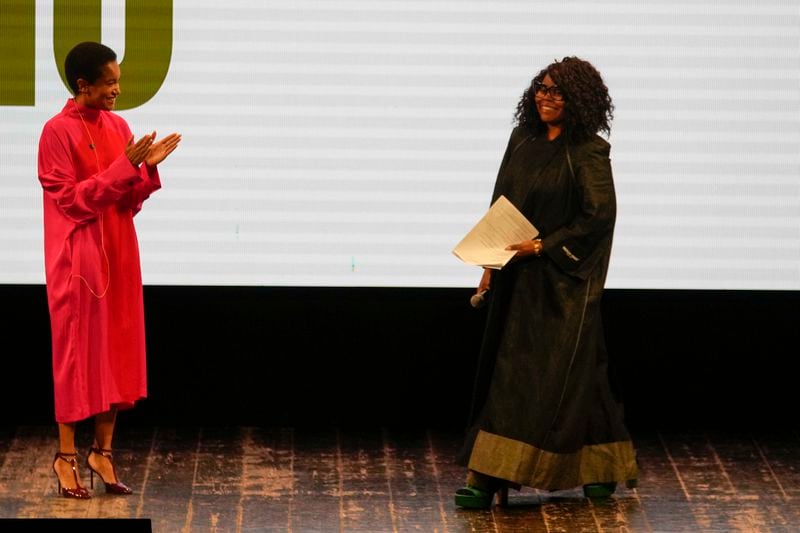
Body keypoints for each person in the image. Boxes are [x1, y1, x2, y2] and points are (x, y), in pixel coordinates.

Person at [455, 56, 638, 508]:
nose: (545, 96)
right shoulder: (522, 140)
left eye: (556, 91)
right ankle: (600, 465)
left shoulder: (589, 151)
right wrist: (488, 264)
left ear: (577, 100)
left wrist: (542, 247)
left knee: (546, 375)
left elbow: (599, 216)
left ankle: (487, 474)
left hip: (563, 284)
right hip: (517, 280)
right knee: (560, 375)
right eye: (541, 86)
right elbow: (502, 206)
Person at [38, 41, 181, 499]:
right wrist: (126, 167)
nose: (118, 90)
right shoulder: (56, 133)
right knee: (76, 354)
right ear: (84, 85)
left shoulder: (119, 125)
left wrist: (145, 173)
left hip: (119, 251)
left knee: (117, 349)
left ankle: (103, 451)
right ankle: (65, 456)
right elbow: (72, 201)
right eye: (110, 83)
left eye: (117, 81)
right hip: (77, 258)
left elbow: (126, 200)